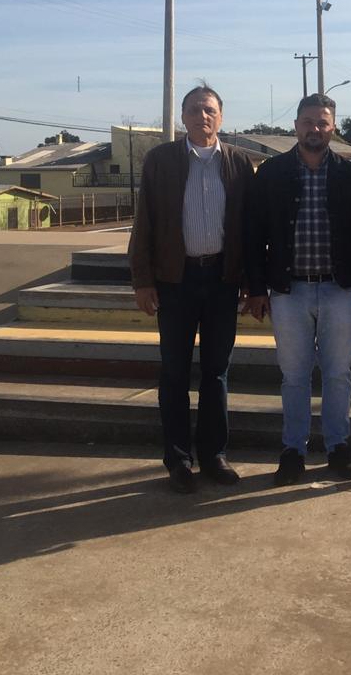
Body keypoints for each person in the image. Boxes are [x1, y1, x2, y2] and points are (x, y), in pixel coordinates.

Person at [244, 93, 351, 486]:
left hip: (339, 290)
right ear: (295, 126)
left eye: (322, 122)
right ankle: (293, 451)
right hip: (289, 292)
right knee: (294, 376)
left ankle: (338, 447)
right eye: (307, 122)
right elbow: (253, 233)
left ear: (333, 127)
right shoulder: (272, 173)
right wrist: (256, 288)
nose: (314, 129)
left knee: (338, 374)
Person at [128, 84, 254, 494]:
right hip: (175, 281)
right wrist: (143, 280)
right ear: (183, 117)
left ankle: (214, 455)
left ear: (221, 116)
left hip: (221, 280)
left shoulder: (238, 162)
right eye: (195, 110)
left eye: (210, 110)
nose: (203, 116)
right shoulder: (161, 160)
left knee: (216, 372)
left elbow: (248, 227)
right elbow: (144, 222)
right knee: (174, 372)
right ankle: (179, 460)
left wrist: (250, 281)